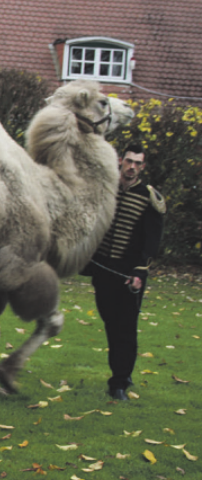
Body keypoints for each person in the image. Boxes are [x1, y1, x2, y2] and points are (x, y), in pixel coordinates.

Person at [87, 142, 164, 401]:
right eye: (129, 161)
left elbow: (152, 241)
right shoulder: (106, 189)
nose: (132, 167)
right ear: (121, 161)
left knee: (126, 327)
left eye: (138, 163)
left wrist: (140, 273)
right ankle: (123, 370)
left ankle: (119, 381)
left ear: (143, 166)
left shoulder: (149, 197)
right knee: (110, 322)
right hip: (104, 270)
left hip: (130, 274)